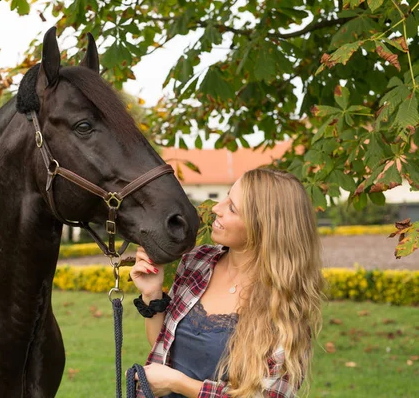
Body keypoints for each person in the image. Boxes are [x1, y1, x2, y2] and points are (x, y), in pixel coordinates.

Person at [129, 168, 325, 398]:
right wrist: (152, 294)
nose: (216, 209)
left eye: (232, 208)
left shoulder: (285, 304)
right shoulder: (197, 262)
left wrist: (179, 384)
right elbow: (166, 347)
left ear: (263, 228)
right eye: (226, 197)